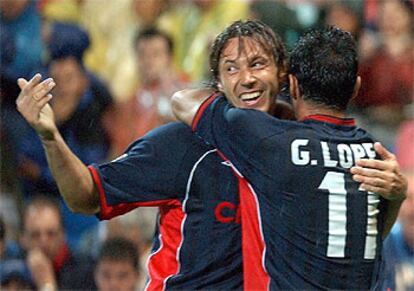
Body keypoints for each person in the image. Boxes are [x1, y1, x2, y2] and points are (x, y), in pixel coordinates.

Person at [15, 20, 406, 289]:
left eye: (257, 64)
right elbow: (86, 195)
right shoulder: (180, 146)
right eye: (231, 69)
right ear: (217, 82)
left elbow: (354, 237)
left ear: (285, 76)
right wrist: (51, 138)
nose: (247, 78)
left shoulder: (308, 152)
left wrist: (394, 193)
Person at [172, 26, 406, 289]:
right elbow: (368, 238)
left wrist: (272, 107)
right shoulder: (373, 152)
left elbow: (182, 100)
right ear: (355, 88)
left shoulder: (267, 140)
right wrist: (397, 198)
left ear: (292, 84)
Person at [19, 195, 96, 290]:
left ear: (63, 235)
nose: (44, 243)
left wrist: (46, 284)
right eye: (35, 235)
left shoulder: (85, 270)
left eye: (51, 234)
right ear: (22, 239)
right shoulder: (12, 270)